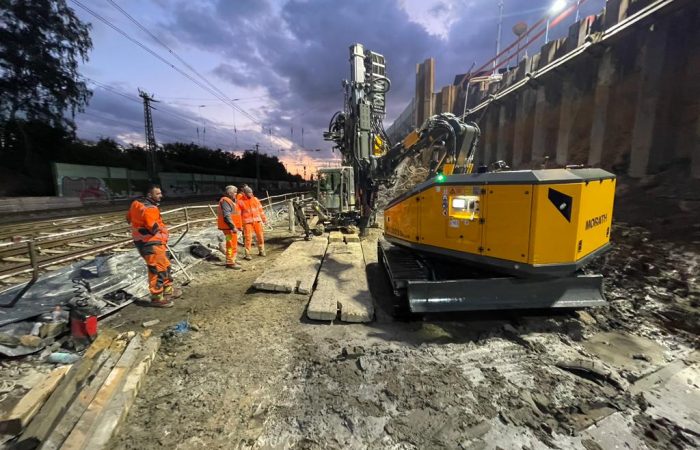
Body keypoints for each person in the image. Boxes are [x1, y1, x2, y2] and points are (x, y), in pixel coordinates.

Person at [126, 185, 180, 307]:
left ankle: (167, 290)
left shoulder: (136, 204)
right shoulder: (150, 208)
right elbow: (153, 228)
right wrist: (163, 233)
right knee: (157, 269)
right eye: (158, 194)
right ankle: (157, 297)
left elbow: (128, 218)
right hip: (151, 242)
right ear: (150, 195)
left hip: (144, 241)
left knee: (165, 265)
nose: (161, 196)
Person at [217, 185, 243, 269]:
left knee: (232, 244)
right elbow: (227, 216)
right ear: (230, 193)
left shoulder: (229, 201)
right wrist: (233, 227)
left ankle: (232, 259)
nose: (236, 194)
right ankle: (230, 262)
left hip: (229, 228)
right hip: (229, 228)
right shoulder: (225, 201)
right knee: (230, 245)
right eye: (235, 192)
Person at [238, 186, 267, 260]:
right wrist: (239, 225)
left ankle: (261, 250)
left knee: (260, 236)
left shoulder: (255, 199)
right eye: (249, 192)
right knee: (248, 238)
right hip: (247, 222)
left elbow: (260, 210)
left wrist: (264, 219)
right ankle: (247, 254)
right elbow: (238, 214)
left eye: (251, 192)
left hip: (257, 221)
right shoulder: (240, 201)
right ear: (244, 193)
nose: (251, 194)